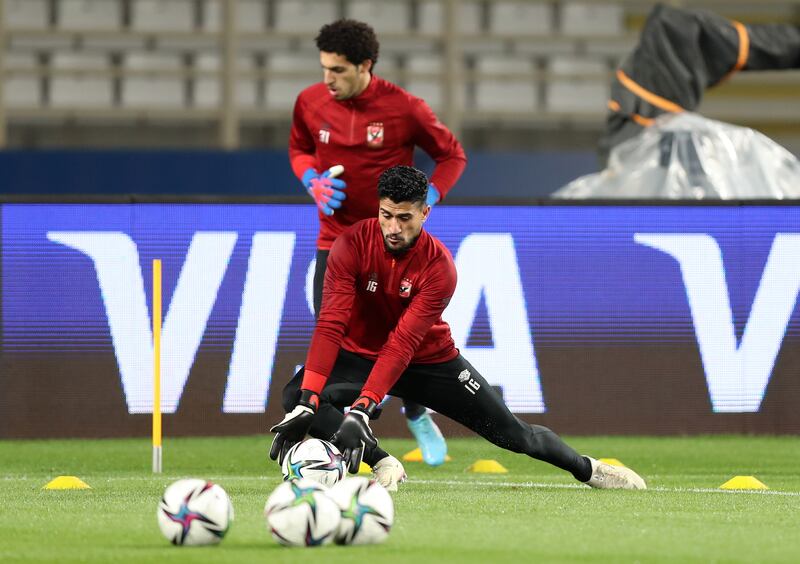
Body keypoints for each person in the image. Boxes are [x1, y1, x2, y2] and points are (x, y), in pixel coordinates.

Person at [269, 165, 647, 492]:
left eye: (405, 218)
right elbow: (331, 325)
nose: (393, 227)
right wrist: (308, 400)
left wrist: (363, 409)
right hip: (361, 354)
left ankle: (589, 470)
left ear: (426, 213)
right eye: (386, 215)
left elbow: (402, 344)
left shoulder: (439, 267)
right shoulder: (350, 244)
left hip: (428, 361)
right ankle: (384, 463)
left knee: (514, 436)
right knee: (297, 398)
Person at [288, 18, 466, 467]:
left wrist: (431, 195)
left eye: (339, 70)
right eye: (324, 68)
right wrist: (311, 179)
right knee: (335, 339)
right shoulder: (309, 102)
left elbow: (451, 155)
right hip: (337, 244)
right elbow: (299, 149)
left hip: (394, 249)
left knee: (400, 342)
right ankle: (343, 444)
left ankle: (415, 409)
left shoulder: (405, 109)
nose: (327, 79)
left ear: (365, 65)